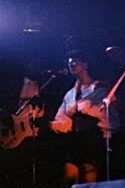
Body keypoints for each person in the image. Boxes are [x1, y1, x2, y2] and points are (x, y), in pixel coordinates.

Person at [49, 49, 120, 187]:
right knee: (69, 178)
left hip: (92, 140)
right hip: (72, 140)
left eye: (75, 61)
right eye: (69, 62)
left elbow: (106, 116)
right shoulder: (69, 94)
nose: (71, 64)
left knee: (87, 181)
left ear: (85, 64)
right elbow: (61, 119)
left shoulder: (99, 89)